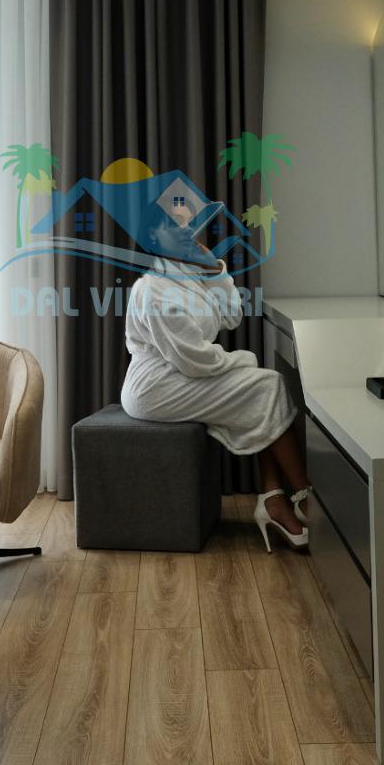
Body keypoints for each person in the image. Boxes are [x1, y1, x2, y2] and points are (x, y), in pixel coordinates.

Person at [120, 224, 312, 552]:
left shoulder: (189, 276)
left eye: (189, 225)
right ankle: (304, 497)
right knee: (265, 386)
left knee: (263, 390)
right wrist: (243, 360)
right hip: (154, 387)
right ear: (153, 238)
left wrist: (214, 271)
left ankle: (274, 499)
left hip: (183, 374)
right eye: (172, 227)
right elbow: (194, 359)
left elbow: (233, 316)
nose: (187, 232)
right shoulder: (152, 289)